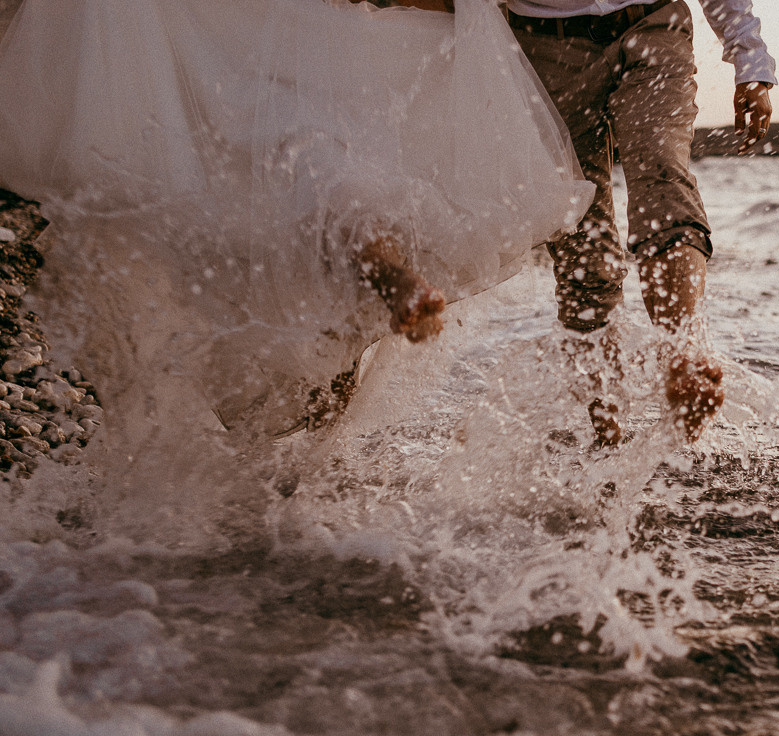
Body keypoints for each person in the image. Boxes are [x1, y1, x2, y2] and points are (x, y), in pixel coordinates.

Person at [0, 0, 591, 435]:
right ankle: (380, 295)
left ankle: (383, 287)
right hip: (352, 49)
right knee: (338, 200)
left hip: (283, 50)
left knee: (322, 188)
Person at [505, 0, 776, 443]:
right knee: (579, 236)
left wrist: (750, 58)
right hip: (541, 48)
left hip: (653, 23)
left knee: (661, 172)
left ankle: (683, 351)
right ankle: (607, 437)